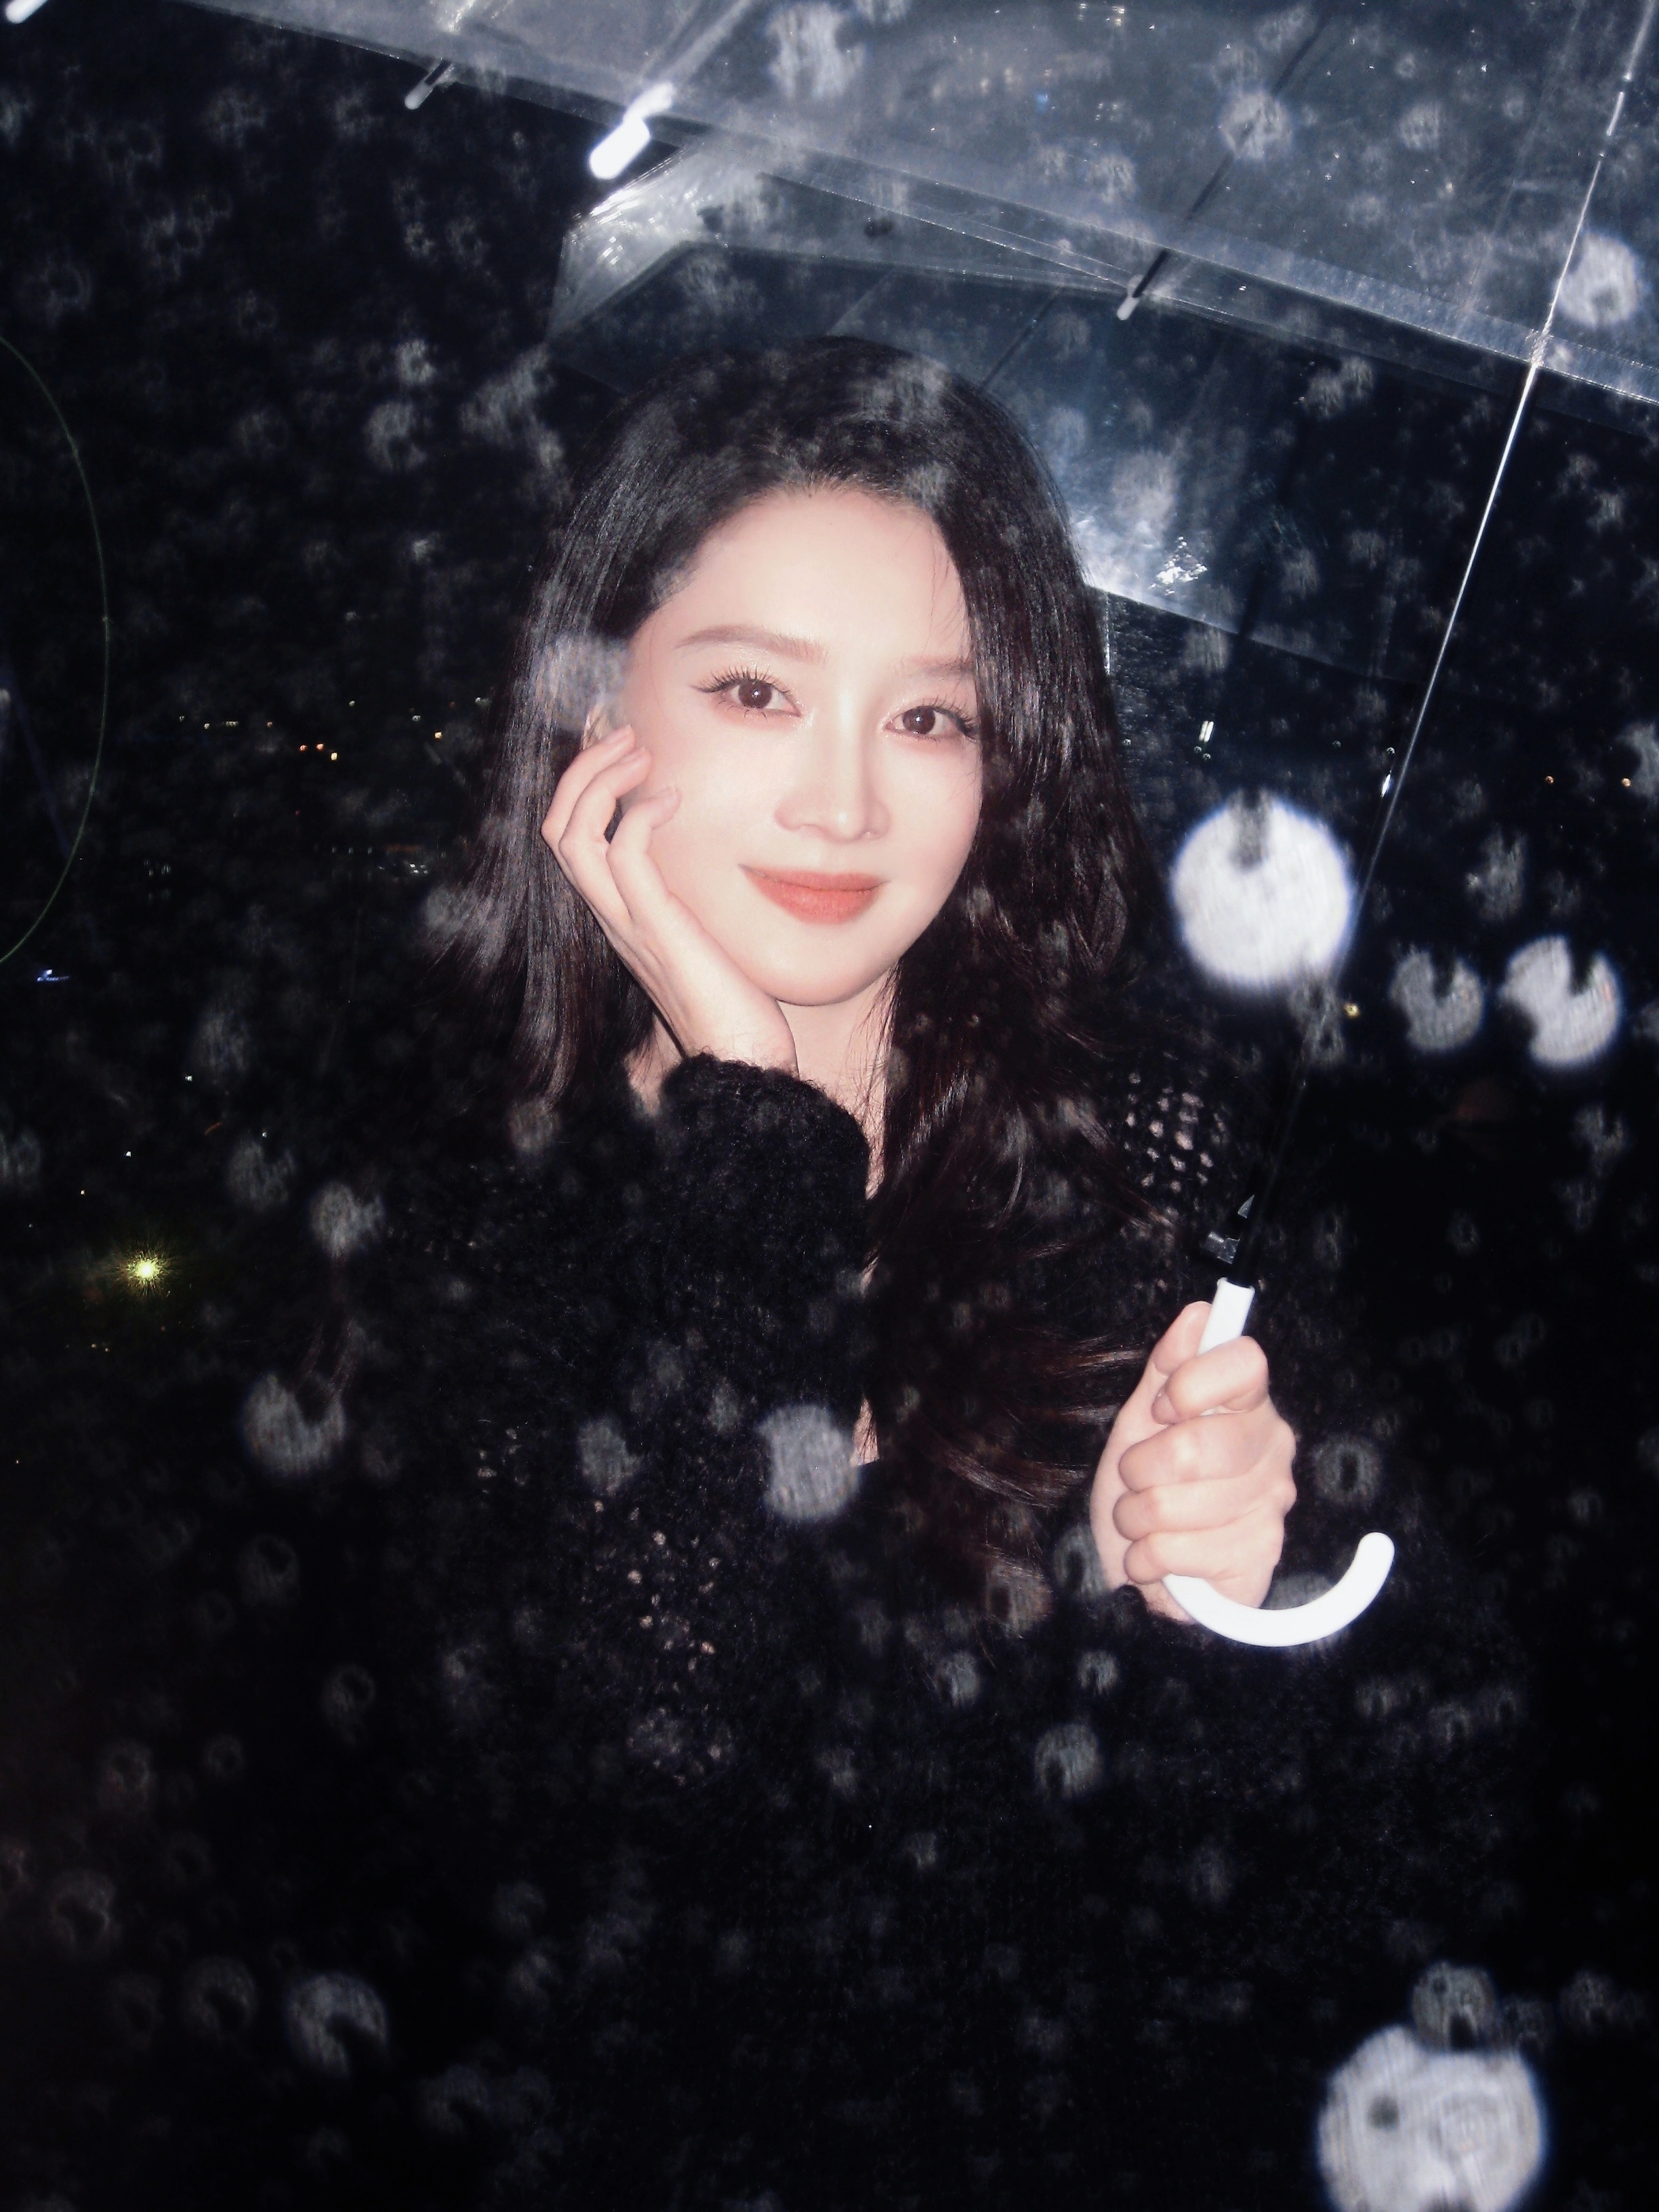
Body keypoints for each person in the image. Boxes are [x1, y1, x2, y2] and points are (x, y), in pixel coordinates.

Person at [0, 341, 1522, 2212]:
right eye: (754, 691)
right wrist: (756, 1118)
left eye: (930, 719)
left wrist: (1229, 1605)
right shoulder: (444, 1217)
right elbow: (646, 1782)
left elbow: (1417, 1851)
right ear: (596, 708)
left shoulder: (1141, 1158)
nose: (842, 806)